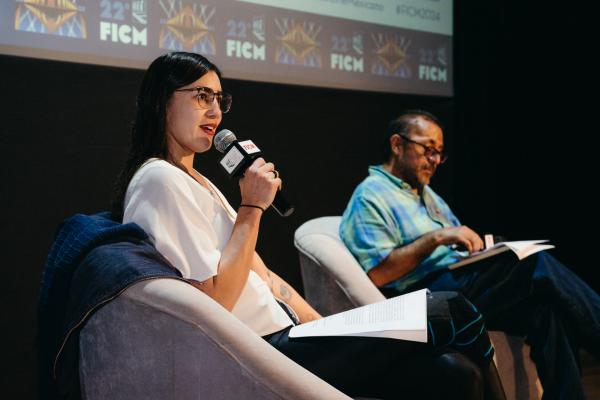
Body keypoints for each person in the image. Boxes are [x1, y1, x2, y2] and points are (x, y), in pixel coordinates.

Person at [111, 53, 504, 399]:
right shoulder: (159, 179)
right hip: (260, 352)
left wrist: (336, 326)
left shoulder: (200, 182)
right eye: (201, 97)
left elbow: (265, 278)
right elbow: (214, 306)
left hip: (294, 337)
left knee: (455, 374)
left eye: (219, 99)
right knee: (451, 308)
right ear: (162, 101)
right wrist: (251, 206)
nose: (215, 112)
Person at [339, 109, 600, 399]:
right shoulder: (370, 195)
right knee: (535, 263)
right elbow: (378, 273)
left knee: (545, 308)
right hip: (425, 294)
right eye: (428, 149)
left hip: (458, 280)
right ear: (397, 145)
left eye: (439, 153)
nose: (435, 160)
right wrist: (437, 237)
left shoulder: (425, 194)